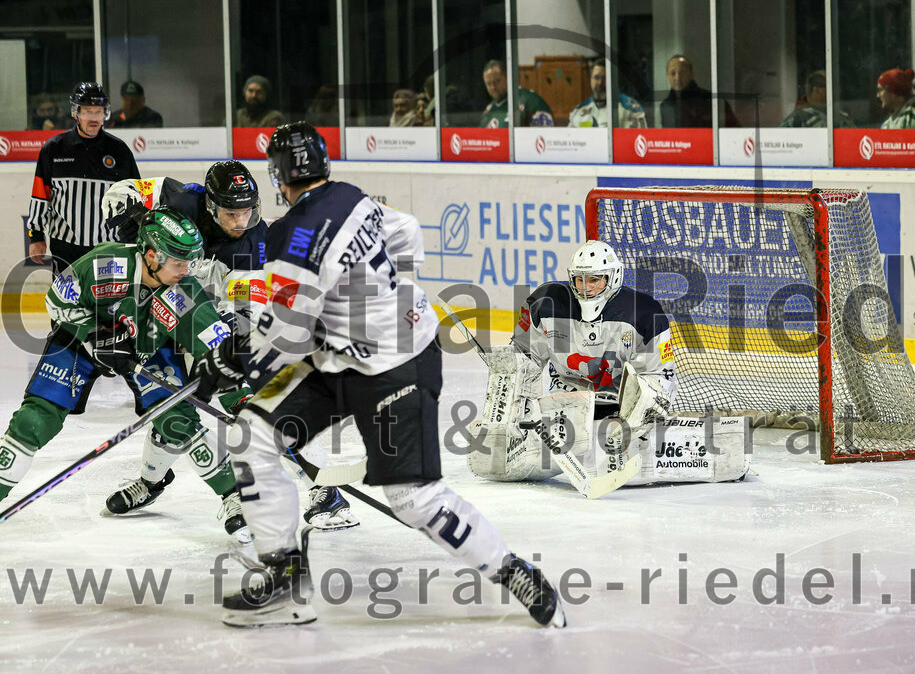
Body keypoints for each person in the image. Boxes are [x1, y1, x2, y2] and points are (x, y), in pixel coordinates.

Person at [195, 121, 566, 629]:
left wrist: (227, 357)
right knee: (255, 434)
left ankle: (511, 569)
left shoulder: (293, 236)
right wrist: (394, 292)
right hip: (335, 361)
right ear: (323, 165)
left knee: (414, 499)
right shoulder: (354, 198)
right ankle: (285, 577)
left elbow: (283, 327)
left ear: (277, 178)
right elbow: (407, 229)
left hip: (395, 369)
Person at [99, 164, 356, 532]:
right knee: (168, 404)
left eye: (247, 211)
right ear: (209, 205)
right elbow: (118, 193)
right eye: (231, 213)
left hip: (208, 318)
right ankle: (152, 480)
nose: (240, 221)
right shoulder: (176, 197)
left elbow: (245, 314)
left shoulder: (254, 246)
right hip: (155, 310)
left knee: (254, 400)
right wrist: (135, 218)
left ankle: (325, 489)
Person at [0, 209, 251, 548]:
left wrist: (242, 401)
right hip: (78, 342)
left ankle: (233, 497)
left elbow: (220, 351)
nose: (186, 270)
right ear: (151, 255)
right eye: (178, 262)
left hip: (145, 350)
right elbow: (56, 299)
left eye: (189, 261)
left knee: (177, 420)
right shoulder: (104, 263)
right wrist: (93, 333)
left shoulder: (183, 292)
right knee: (34, 421)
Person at [466, 240, 749, 486]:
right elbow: (523, 362)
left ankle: (619, 449)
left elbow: (659, 379)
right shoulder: (547, 302)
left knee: (700, 443)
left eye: (595, 279)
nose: (586, 288)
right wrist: (508, 411)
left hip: (621, 413)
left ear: (612, 278)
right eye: (580, 279)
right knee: (499, 453)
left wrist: (633, 423)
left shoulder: (644, 312)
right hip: (565, 410)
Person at [27, 82, 141, 278]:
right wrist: (36, 236)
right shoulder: (53, 149)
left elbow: (135, 197)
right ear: (76, 113)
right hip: (65, 246)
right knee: (66, 304)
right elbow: (40, 195)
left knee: (104, 306)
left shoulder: (119, 151)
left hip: (107, 246)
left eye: (99, 112)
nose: (94, 118)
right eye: (88, 111)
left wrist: (135, 234)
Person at [660, 55, 739, 128]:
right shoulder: (665, 106)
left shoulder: (712, 101)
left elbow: (733, 131)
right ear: (667, 76)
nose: (677, 78)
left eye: (682, 72)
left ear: (691, 74)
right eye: (673, 73)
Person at [568, 62, 646, 128]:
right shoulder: (579, 110)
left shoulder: (629, 108)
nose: (600, 83)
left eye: (605, 78)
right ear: (590, 80)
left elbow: (638, 140)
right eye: (596, 77)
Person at [479, 59, 553, 128]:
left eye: (497, 81)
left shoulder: (530, 101)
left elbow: (544, 136)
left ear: (508, 78)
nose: (493, 87)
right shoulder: (488, 111)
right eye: (489, 84)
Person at [779, 70, 854, 128]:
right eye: (831, 88)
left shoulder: (840, 116)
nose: (838, 91)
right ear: (817, 90)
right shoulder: (798, 118)